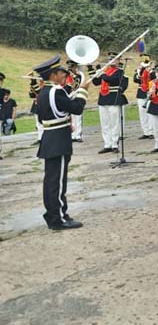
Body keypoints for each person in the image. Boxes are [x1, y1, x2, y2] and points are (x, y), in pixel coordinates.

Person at [33, 55, 88, 230]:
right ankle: (59, 218)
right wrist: (83, 91)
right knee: (57, 183)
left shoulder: (43, 92)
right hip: (59, 140)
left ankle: (52, 215)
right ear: (53, 75)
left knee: (51, 180)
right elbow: (77, 108)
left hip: (50, 137)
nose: (63, 75)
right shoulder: (56, 91)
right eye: (60, 73)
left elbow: (44, 118)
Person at [92, 52, 128, 154]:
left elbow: (112, 80)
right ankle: (107, 144)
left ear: (118, 61)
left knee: (114, 123)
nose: (111, 61)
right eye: (110, 59)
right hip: (103, 99)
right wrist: (92, 69)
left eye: (114, 59)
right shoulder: (105, 71)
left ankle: (114, 144)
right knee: (105, 124)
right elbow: (96, 82)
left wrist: (101, 72)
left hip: (113, 99)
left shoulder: (120, 71)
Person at [133, 54, 154, 140]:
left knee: (150, 112)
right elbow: (136, 80)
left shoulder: (152, 71)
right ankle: (146, 132)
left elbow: (154, 78)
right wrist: (140, 71)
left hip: (150, 91)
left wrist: (150, 70)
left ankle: (152, 131)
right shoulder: (139, 70)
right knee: (142, 113)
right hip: (141, 92)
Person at [65, 60, 84, 142]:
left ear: (75, 67)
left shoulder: (78, 75)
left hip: (77, 95)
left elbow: (78, 83)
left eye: (72, 66)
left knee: (78, 116)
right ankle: (73, 134)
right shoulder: (66, 76)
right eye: (69, 67)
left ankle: (78, 135)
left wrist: (73, 76)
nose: (70, 68)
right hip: (69, 96)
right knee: (71, 117)